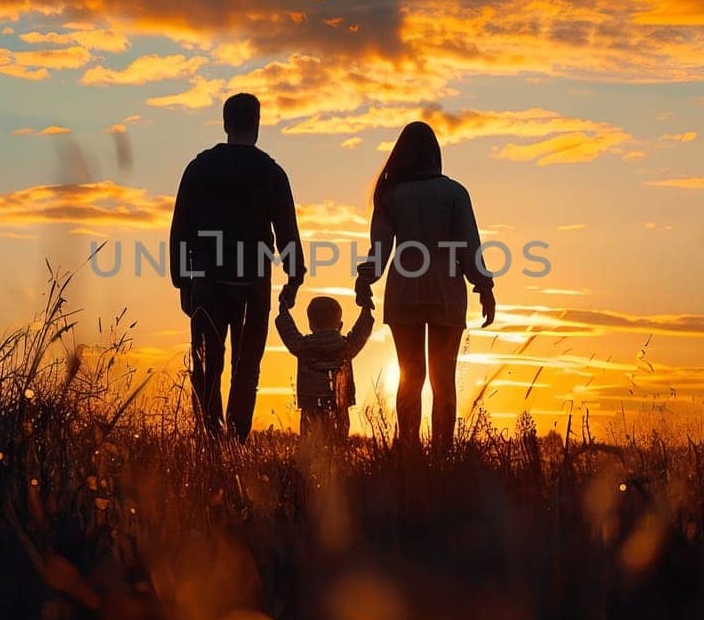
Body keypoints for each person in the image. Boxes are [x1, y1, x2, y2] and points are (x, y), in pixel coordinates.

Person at [170, 92, 305, 440]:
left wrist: (181, 281)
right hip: (252, 283)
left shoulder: (198, 167)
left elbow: (180, 225)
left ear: (226, 123)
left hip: (207, 280)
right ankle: (237, 438)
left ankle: (212, 438)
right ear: (257, 125)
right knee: (247, 365)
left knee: (206, 364)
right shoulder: (271, 172)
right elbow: (286, 228)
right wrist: (294, 276)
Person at [356, 121, 495, 455]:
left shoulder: (390, 195)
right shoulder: (454, 193)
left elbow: (379, 253)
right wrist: (484, 286)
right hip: (446, 295)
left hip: (403, 294)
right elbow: (469, 246)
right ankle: (443, 454)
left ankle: (408, 451)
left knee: (410, 375)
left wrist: (365, 280)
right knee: (443, 380)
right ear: (435, 153)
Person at [275, 294, 374, 447]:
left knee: (310, 443)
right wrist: (366, 311)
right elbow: (361, 333)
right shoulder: (346, 348)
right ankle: (337, 466)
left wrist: (284, 312)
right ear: (340, 325)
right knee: (339, 444)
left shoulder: (303, 347)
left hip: (310, 404)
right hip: (339, 404)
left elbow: (289, 333)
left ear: (311, 325)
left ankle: (311, 468)